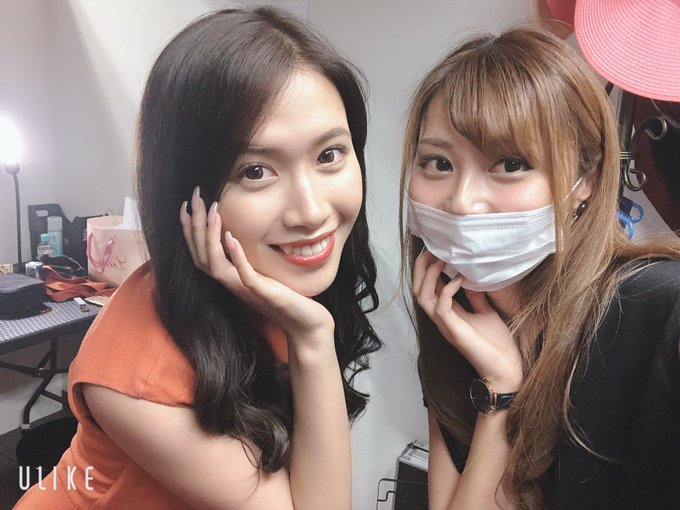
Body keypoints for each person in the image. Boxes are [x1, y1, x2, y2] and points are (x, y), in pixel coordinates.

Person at [15, 6, 380, 509]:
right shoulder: (137, 378)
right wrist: (313, 338)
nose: (312, 211)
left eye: (329, 155)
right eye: (255, 171)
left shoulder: (270, 286)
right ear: (187, 196)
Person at [400, 27, 680, 510]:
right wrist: (500, 392)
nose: (462, 202)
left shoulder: (662, 313)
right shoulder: (455, 322)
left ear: (586, 181)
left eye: (511, 164)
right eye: (438, 163)